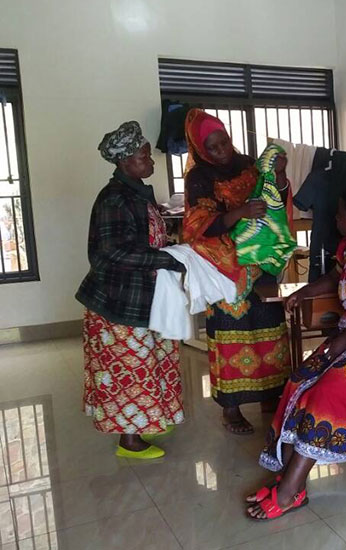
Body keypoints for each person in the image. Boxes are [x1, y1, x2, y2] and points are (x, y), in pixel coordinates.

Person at [245, 187, 346, 520]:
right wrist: (304, 291)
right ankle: (291, 479)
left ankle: (289, 489)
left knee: (325, 396)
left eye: (340, 214)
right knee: (299, 382)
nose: (335, 219)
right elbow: (334, 278)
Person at [77, 121, 185, 459]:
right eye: (143, 156)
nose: (150, 160)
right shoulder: (114, 198)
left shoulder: (135, 192)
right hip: (117, 301)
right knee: (128, 370)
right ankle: (130, 442)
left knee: (150, 360)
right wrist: (165, 259)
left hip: (142, 296)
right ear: (125, 162)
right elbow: (112, 251)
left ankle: (149, 419)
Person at [182, 109, 291, 435]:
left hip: (259, 264)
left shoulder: (248, 165)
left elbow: (276, 197)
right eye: (212, 147)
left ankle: (271, 397)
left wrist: (280, 176)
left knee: (269, 328)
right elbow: (199, 225)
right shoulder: (199, 178)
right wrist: (241, 212)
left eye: (224, 142)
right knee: (231, 334)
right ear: (201, 150)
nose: (221, 151)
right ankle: (231, 409)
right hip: (225, 271)